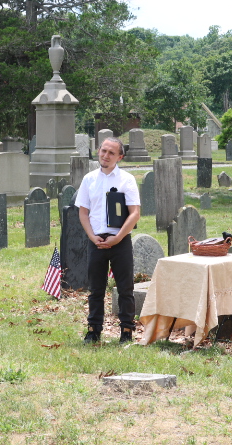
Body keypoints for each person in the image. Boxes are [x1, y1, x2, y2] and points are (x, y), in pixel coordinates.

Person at [75, 137, 141, 344]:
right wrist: (91, 236)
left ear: (120, 157)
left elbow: (134, 213)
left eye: (111, 153)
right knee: (96, 289)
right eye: (103, 151)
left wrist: (117, 237)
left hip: (120, 240)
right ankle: (93, 331)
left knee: (125, 288)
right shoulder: (89, 179)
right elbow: (83, 212)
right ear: (98, 151)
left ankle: (127, 332)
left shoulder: (126, 180)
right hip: (96, 240)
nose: (106, 155)